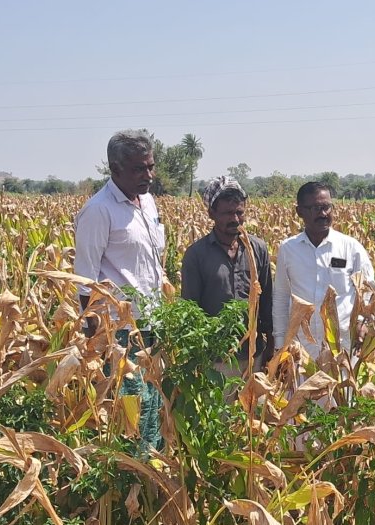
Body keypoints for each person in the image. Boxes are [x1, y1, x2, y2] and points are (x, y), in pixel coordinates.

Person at [73, 129, 165, 455]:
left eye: (150, 167)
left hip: (152, 324)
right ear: (115, 168)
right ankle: (131, 473)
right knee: (130, 410)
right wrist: (98, 342)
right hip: (119, 332)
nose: (148, 176)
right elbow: (85, 280)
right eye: (139, 169)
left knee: (154, 405)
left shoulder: (148, 202)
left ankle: (152, 468)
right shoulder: (98, 211)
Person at [181, 176, 273, 373]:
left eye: (239, 212)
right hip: (215, 359)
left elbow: (266, 301)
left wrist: (271, 346)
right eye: (228, 213)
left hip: (253, 354)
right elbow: (190, 310)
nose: (235, 219)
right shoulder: (196, 254)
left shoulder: (258, 248)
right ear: (211, 213)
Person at [273, 181, 375, 358]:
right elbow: (281, 296)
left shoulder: (351, 247)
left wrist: (362, 321)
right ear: (299, 212)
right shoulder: (288, 249)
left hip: (344, 346)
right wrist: (280, 343)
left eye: (327, 207)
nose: (323, 214)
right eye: (315, 208)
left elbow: (369, 290)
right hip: (302, 348)